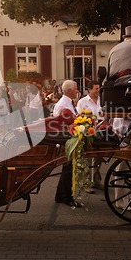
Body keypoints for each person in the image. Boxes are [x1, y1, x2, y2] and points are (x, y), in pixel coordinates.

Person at [52, 80, 82, 208]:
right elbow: (63, 124)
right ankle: (66, 197)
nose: (77, 91)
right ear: (70, 90)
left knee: (67, 169)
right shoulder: (63, 105)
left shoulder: (66, 102)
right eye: (76, 89)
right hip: (66, 140)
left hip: (67, 139)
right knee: (68, 169)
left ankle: (60, 195)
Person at [76, 80, 104, 191]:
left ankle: (96, 181)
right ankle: (86, 183)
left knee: (99, 157)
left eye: (99, 89)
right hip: (88, 132)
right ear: (89, 90)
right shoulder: (82, 102)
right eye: (96, 89)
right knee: (87, 158)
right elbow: (78, 117)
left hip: (102, 131)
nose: (98, 91)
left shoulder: (103, 100)